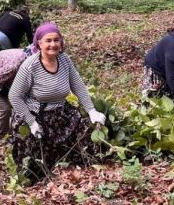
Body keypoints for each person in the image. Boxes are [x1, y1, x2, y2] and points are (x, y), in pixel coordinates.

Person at [8, 22, 106, 183]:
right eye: (48, 41)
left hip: (61, 111)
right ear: (39, 43)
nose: (53, 44)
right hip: (35, 113)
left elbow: (78, 85)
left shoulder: (64, 60)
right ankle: (35, 182)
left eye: (56, 40)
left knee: (84, 130)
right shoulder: (30, 66)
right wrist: (31, 122)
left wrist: (91, 110)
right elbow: (14, 96)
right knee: (34, 154)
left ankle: (79, 174)